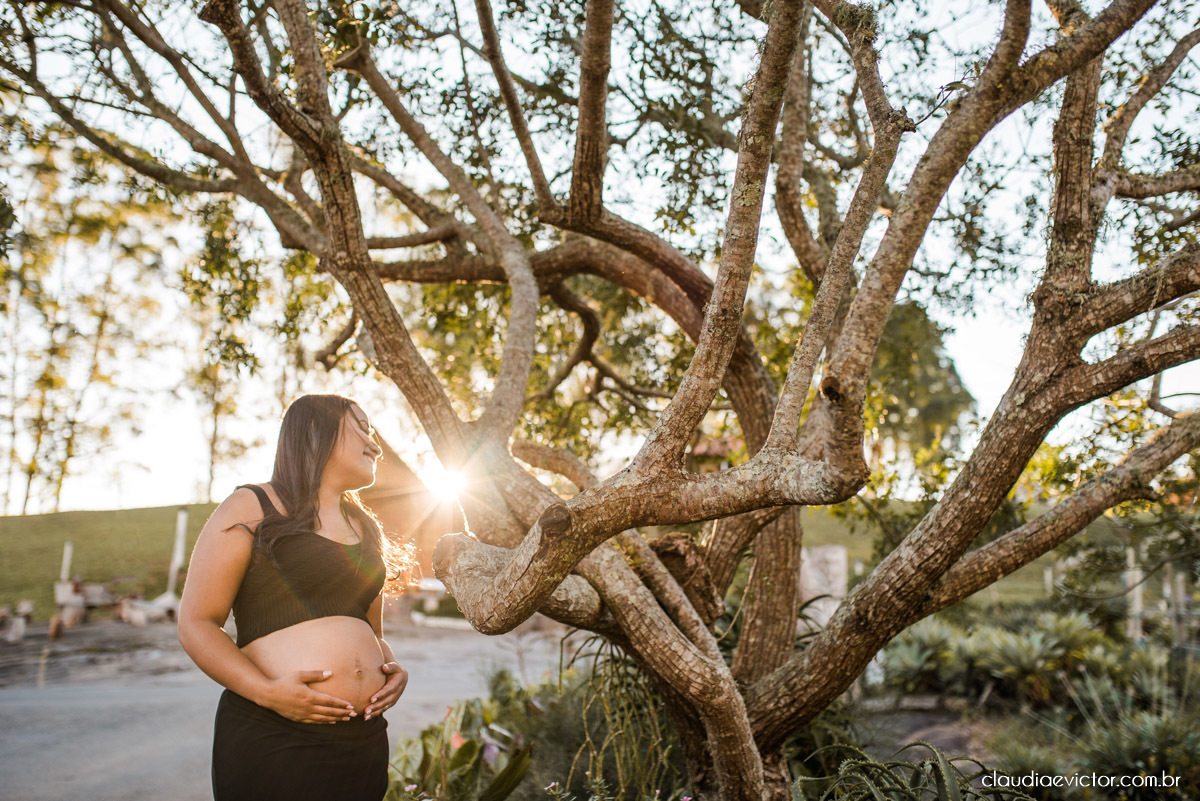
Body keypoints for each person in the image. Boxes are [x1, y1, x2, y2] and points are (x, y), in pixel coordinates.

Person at [178, 394, 412, 801]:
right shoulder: (252, 505)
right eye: (362, 427)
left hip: (363, 739)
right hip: (275, 733)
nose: (374, 444)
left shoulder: (365, 527)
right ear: (315, 430)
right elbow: (197, 623)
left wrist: (390, 668)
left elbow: (370, 630)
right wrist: (267, 692)